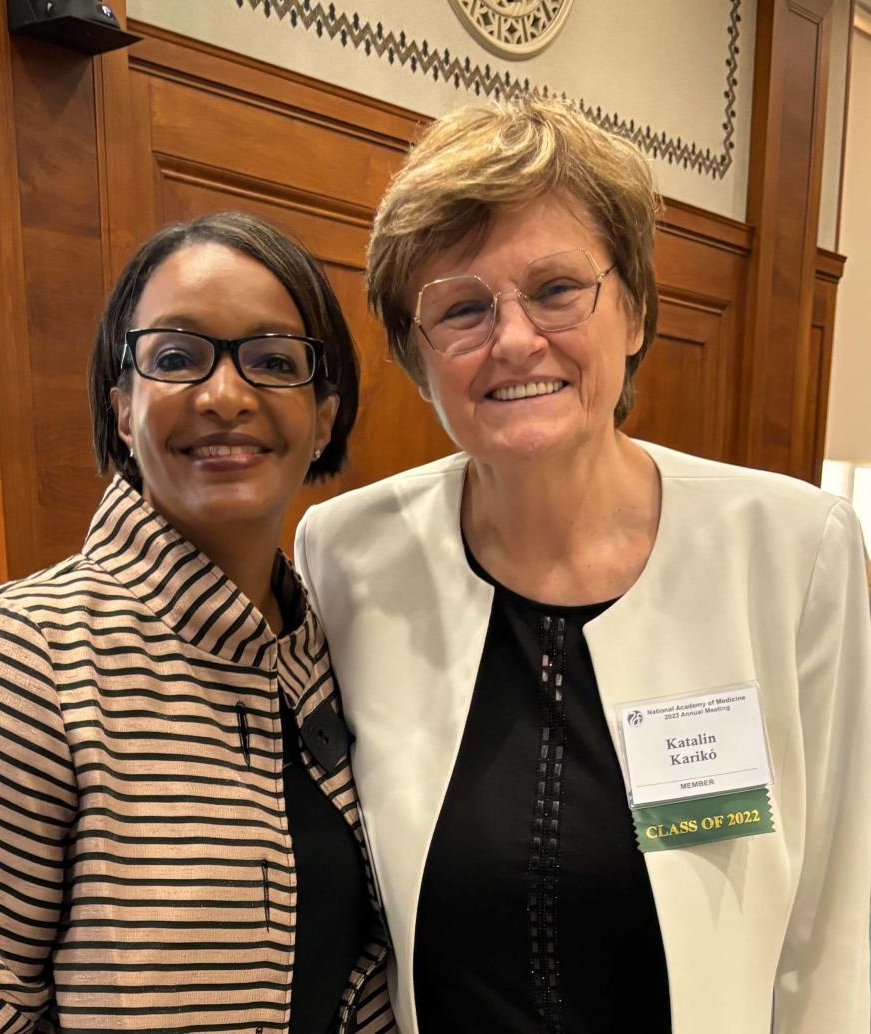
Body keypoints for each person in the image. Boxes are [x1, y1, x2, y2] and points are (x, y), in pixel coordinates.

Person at [294, 97, 871, 1034]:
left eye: (558, 289)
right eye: (463, 308)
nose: (515, 340)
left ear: (634, 312)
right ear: (414, 354)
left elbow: (836, 925)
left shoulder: (793, 550)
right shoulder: (349, 554)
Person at [0, 212, 394, 1033]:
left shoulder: (329, 651)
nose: (227, 396)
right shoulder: (13, 655)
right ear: (124, 408)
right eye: (176, 358)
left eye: (275, 362)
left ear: (322, 417)